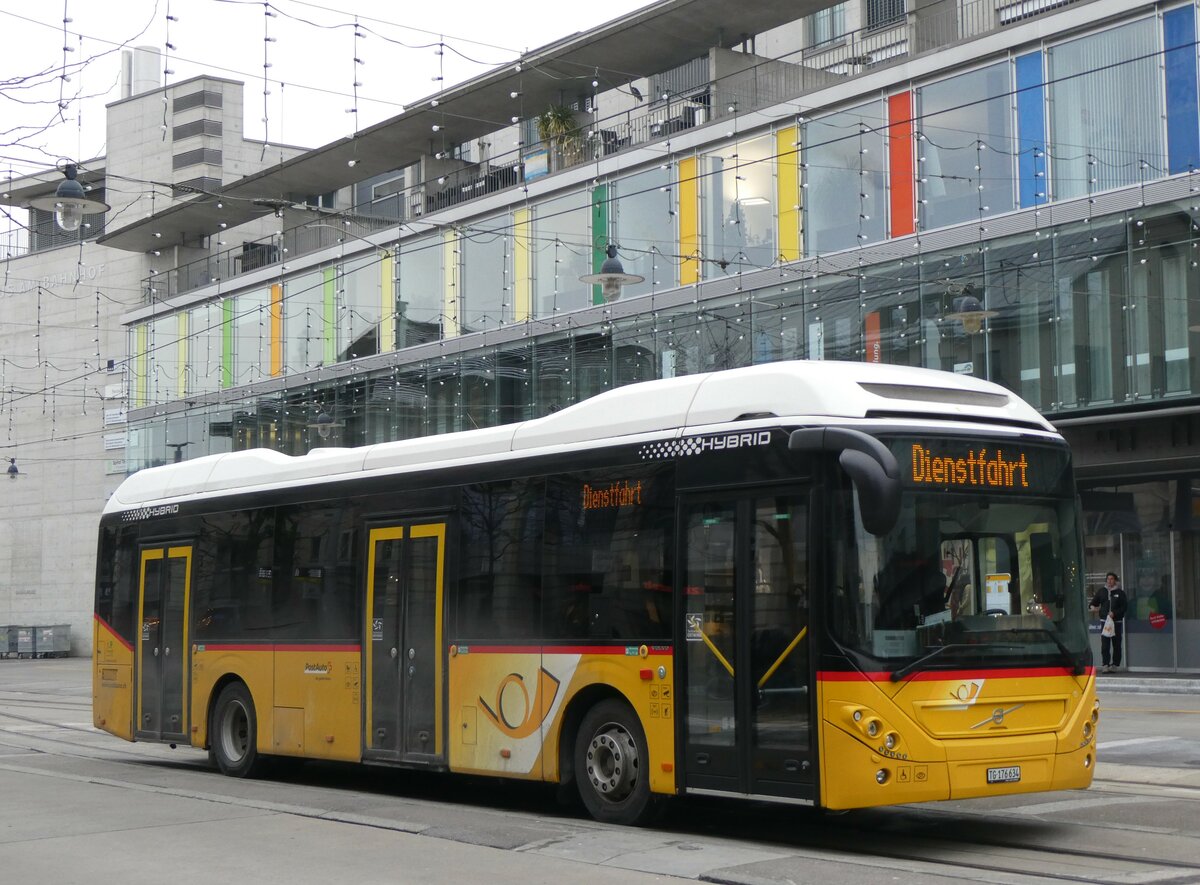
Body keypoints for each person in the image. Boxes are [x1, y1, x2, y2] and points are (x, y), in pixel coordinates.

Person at [1090, 571, 1128, 672]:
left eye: (1111, 579)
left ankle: (1115, 665)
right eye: (1108, 579)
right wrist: (1094, 608)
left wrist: (1114, 613)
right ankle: (1105, 664)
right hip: (1105, 621)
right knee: (1105, 644)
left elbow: (1124, 607)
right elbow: (1093, 603)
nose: (1109, 581)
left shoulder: (1120, 593)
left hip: (1116, 622)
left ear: (1115, 580)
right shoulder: (1102, 591)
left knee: (1116, 644)